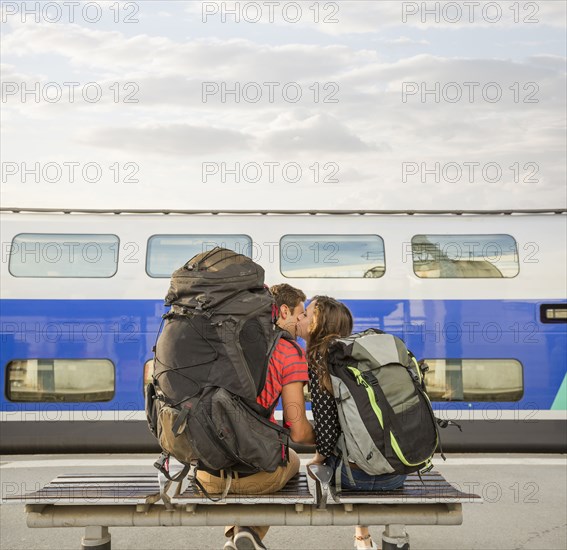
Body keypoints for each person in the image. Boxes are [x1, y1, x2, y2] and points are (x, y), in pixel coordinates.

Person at [196, 283, 315, 550]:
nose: (302, 321)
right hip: (255, 477)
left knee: (251, 461)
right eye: (300, 312)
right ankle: (249, 530)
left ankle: (239, 536)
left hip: (206, 475)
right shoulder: (289, 352)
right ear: (284, 311)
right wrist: (328, 438)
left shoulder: (226, 341)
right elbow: (297, 431)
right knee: (289, 458)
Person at [296, 296, 407, 550]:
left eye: (306, 315)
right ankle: (373, 536)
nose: (300, 318)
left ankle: (362, 537)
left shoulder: (319, 363)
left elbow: (326, 433)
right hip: (397, 473)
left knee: (336, 460)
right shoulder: (357, 356)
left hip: (356, 477)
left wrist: (317, 460)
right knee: (356, 446)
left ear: (317, 324)